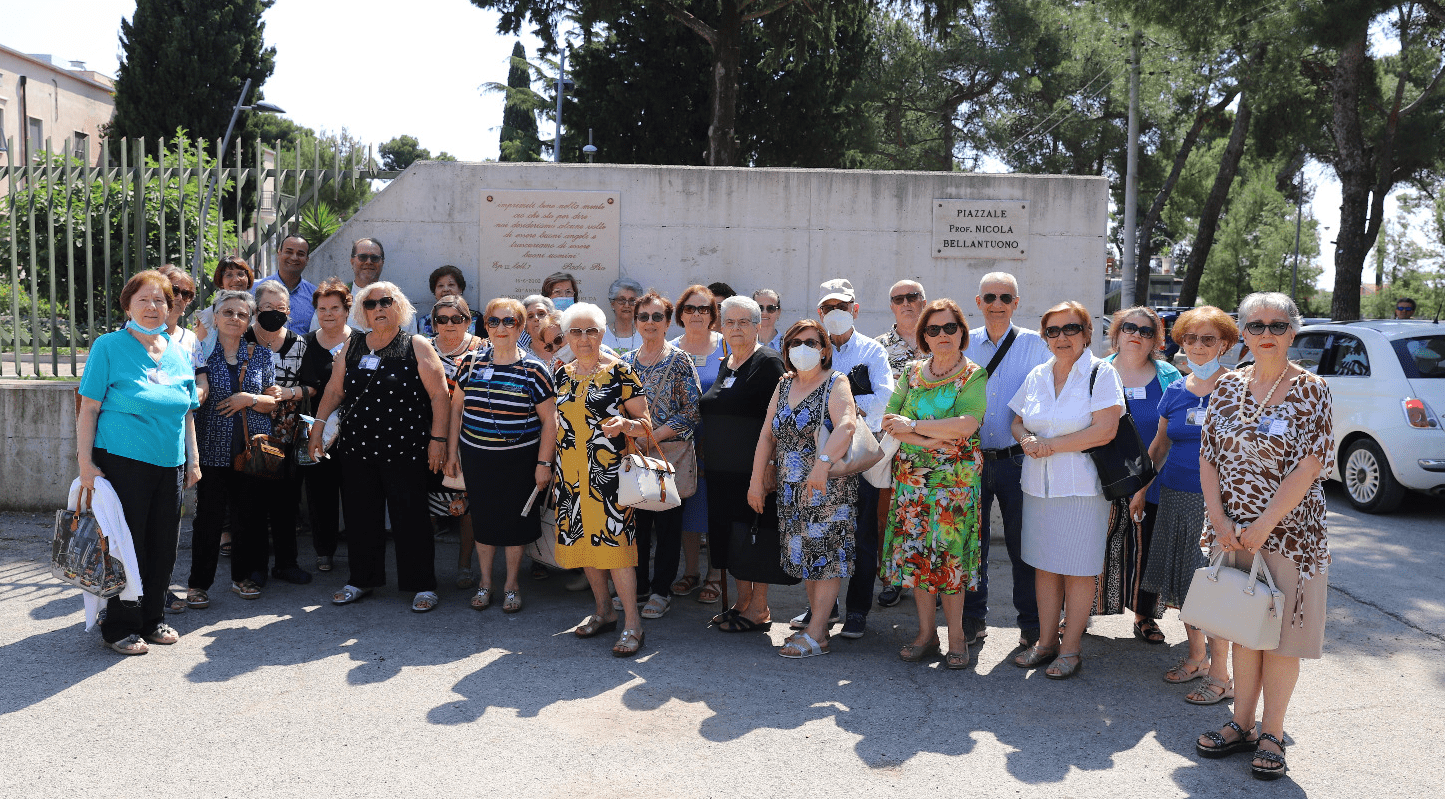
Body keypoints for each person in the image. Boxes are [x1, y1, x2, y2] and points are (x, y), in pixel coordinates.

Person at [1194, 292, 1334, 781]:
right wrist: (1219, 519)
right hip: (1231, 533)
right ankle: (1240, 724)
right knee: (1243, 630)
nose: (1267, 334)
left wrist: (1264, 524)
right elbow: (1208, 455)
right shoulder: (1228, 386)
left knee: (1280, 640)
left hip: (1291, 534)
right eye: (1256, 326)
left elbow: (1313, 462)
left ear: (1294, 330)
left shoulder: (1312, 389)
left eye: (1278, 325)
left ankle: (1272, 733)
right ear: (1244, 334)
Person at [76, 271, 201, 654]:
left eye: (160, 301)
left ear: (171, 308)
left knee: (164, 545)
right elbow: (89, 409)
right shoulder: (109, 347)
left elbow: (187, 412)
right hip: (122, 462)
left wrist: (193, 460)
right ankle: (119, 626)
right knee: (126, 545)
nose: (153, 307)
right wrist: (84, 463)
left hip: (171, 464)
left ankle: (152, 617)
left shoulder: (178, 350)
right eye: (144, 300)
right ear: (127, 306)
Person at [307, 281, 451, 612]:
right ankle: (362, 579)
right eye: (371, 304)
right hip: (357, 449)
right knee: (360, 517)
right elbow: (333, 391)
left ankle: (423, 585)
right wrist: (317, 429)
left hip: (405, 448)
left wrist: (438, 440)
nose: (379, 308)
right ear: (362, 312)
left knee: (410, 518)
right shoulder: (353, 344)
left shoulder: (415, 344)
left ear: (398, 306)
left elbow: (439, 396)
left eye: (386, 301)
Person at [1008, 300, 1124, 679]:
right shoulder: (1038, 373)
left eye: (1070, 329)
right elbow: (1017, 421)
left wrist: (1050, 446)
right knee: (1044, 567)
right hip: (1037, 488)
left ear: (1087, 333)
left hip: (1081, 488)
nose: (1062, 337)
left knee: (1077, 570)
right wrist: (1026, 440)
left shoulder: (1101, 373)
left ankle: (1071, 649)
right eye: (1053, 331)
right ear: (1045, 337)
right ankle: (1046, 643)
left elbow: (1105, 430)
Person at [878, 299, 987, 668]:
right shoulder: (910, 372)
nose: (942, 335)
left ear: (962, 332)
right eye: (933, 329)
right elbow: (890, 421)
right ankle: (926, 634)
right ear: (924, 335)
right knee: (919, 559)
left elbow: (966, 425)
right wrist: (929, 440)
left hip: (954, 486)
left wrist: (915, 427)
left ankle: (957, 636)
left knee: (950, 562)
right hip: (912, 483)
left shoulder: (973, 375)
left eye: (950, 328)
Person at [1139, 306, 1239, 704]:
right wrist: (1140, 487)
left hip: (1218, 505)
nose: (1198, 347)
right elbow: (1160, 446)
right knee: (1186, 584)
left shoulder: (1237, 388)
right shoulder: (1176, 390)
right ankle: (1196, 658)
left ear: (1226, 344)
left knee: (1213, 589)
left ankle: (1222, 674)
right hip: (1174, 496)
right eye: (1191, 338)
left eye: (1209, 339)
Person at [789, 278, 893, 640]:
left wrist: (841, 408)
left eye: (843, 307)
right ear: (819, 312)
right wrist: (837, 409)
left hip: (854, 458)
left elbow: (885, 401)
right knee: (817, 532)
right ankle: (823, 608)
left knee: (862, 534)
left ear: (855, 310)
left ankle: (858, 609)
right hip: (814, 458)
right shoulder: (811, 348)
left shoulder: (873, 351)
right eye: (829, 307)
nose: (836, 313)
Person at [550, 302, 654, 657]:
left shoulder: (620, 372)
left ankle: (632, 624)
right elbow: (557, 426)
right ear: (566, 336)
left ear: (602, 333)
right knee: (586, 548)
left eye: (590, 330)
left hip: (609, 478)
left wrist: (626, 425)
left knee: (617, 553)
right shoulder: (561, 375)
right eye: (576, 331)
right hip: (571, 478)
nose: (583, 338)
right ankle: (604, 610)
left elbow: (646, 425)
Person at [750, 319, 859, 658]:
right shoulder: (784, 384)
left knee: (825, 558)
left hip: (827, 487)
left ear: (825, 349)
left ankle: (816, 633)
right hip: (790, 489)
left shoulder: (835, 382)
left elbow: (847, 423)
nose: (803, 348)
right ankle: (819, 629)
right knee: (809, 559)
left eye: (811, 342)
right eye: (795, 342)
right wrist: (756, 482)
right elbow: (767, 434)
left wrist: (822, 464)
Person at [447, 297, 556, 614]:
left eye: (509, 321)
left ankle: (511, 585)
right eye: (494, 321)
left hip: (520, 461)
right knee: (483, 522)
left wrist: (543, 463)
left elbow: (550, 420)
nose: (501, 328)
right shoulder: (470, 363)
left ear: (520, 326)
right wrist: (453, 451)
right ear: (486, 326)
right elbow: (456, 411)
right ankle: (485, 583)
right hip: (477, 458)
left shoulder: (535, 369)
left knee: (514, 525)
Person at [965, 272, 1050, 647]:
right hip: (970, 459)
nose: (996, 303)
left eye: (1005, 297)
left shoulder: (1039, 345)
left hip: (1019, 460)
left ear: (1016, 303)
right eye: (989, 297)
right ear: (978, 302)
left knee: (1023, 546)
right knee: (972, 543)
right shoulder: (961, 341)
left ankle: (1031, 625)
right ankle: (971, 620)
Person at [187, 290, 278, 607]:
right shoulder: (198, 354)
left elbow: (273, 402)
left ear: (250, 320)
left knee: (248, 518)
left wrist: (248, 399)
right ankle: (199, 584)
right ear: (215, 315)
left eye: (242, 314)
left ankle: (243, 577)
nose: (235, 319)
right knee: (208, 519)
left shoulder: (261, 355)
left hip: (251, 451)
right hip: (211, 450)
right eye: (228, 312)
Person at [700, 296, 785, 632]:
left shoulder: (768, 362)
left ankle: (760, 607)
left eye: (743, 322)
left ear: (757, 325)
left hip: (753, 470)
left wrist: (767, 470)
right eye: (729, 322)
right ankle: (742, 601)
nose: (735, 328)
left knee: (756, 536)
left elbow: (778, 422)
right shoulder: (728, 363)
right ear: (721, 327)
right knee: (732, 536)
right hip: (722, 472)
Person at [620, 291, 702, 619]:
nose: (650, 323)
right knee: (636, 526)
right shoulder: (626, 361)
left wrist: (651, 438)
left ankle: (661, 590)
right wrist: (631, 439)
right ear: (635, 321)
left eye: (657, 317)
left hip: (666, 456)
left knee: (667, 528)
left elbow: (692, 411)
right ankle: (638, 586)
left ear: (668, 322)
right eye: (644, 317)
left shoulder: (679, 359)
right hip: (634, 456)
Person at [1102, 306, 1181, 641]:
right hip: (1102, 477)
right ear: (1117, 333)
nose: (1136, 334)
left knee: (1147, 548)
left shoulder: (1170, 377)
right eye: (1129, 327)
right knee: (1096, 547)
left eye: (1146, 331)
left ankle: (1145, 615)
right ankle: (1077, 615)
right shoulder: (1095, 371)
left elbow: (1176, 430)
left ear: (1156, 341)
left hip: (1153, 478)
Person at [247, 281, 313, 586]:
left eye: (281, 308)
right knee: (253, 503)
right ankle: (256, 566)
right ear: (256, 309)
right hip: (251, 433)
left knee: (286, 502)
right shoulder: (242, 339)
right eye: (268, 308)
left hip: (286, 435)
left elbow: (313, 386)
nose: (275, 313)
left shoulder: (300, 344)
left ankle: (287, 563)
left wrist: (288, 392)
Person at [669, 285, 729, 604]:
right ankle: (690, 571)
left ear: (712, 315)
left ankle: (714, 574)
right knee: (687, 508)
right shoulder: (669, 349)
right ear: (680, 314)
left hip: (718, 441)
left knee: (716, 511)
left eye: (704, 309)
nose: (696, 314)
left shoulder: (726, 348)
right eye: (690, 308)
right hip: (679, 443)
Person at [427, 294, 486, 590]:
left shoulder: (483, 349)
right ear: (433, 322)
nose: (449, 324)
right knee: (425, 502)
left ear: (468, 321)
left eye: (457, 318)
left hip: (468, 437)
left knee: (465, 505)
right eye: (442, 319)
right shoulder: (422, 348)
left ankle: (464, 564)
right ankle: (425, 570)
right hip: (429, 434)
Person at [874, 279, 926, 609]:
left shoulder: (940, 341)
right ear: (891, 305)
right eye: (898, 298)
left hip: (927, 446)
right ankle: (890, 578)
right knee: (885, 516)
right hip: (887, 447)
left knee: (923, 516)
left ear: (924, 301)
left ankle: (923, 579)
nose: (906, 302)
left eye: (912, 297)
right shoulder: (876, 347)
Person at [297, 278, 352, 572]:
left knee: (356, 492)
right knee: (320, 493)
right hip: (314, 429)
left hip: (353, 432)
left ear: (346, 310)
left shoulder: (359, 342)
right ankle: (324, 550)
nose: (328, 313)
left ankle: (359, 549)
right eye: (322, 308)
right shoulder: (304, 344)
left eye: (334, 307)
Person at [309, 238, 418, 334]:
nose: (369, 262)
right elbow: (316, 335)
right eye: (362, 257)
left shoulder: (397, 302)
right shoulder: (336, 297)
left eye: (374, 258)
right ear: (352, 261)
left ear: (382, 262)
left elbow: (410, 342)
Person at [253, 234, 316, 335]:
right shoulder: (255, 290)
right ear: (279, 253)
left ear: (307, 259)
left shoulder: (315, 295)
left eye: (300, 254)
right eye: (289, 252)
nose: (294, 257)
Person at [419, 265, 479, 337]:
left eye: (451, 285)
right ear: (434, 292)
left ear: (460, 289)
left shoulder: (477, 319)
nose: (446, 289)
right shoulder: (424, 321)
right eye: (440, 286)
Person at [602, 277, 644, 354]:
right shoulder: (601, 335)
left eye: (632, 301)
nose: (627, 305)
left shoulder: (644, 335)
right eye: (621, 300)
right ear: (612, 304)